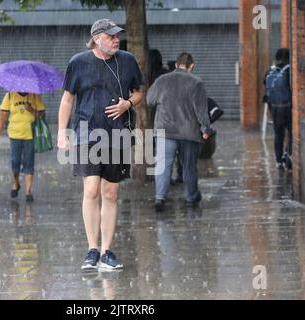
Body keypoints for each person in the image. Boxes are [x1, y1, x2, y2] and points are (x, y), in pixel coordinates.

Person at [57, 18, 143, 270]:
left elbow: (138, 92)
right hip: (87, 135)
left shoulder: (127, 60)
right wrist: (62, 132)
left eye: (118, 35)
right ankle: (91, 249)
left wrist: (128, 103)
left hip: (117, 135)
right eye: (111, 36)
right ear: (97, 39)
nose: (117, 39)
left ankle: (107, 251)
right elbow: (67, 100)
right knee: (92, 189)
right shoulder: (78, 63)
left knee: (111, 192)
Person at [147, 52, 213, 213]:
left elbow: (149, 100)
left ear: (176, 65)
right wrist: (205, 129)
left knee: (163, 165)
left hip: (164, 130)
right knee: (189, 166)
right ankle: (191, 197)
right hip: (188, 132)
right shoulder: (197, 83)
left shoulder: (162, 80)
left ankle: (160, 198)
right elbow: (201, 110)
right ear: (192, 66)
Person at [0, 91, 46, 202]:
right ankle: (16, 184)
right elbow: (2, 117)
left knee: (29, 162)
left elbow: (42, 115)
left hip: (30, 135)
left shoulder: (35, 95)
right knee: (15, 162)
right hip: (14, 135)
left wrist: (31, 109)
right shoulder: (10, 95)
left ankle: (28, 191)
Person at [264, 48, 292, 170]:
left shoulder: (270, 70)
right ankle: (287, 153)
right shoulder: (289, 70)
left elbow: (265, 84)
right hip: (287, 108)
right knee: (293, 133)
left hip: (274, 108)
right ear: (287, 57)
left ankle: (278, 161)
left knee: (278, 135)